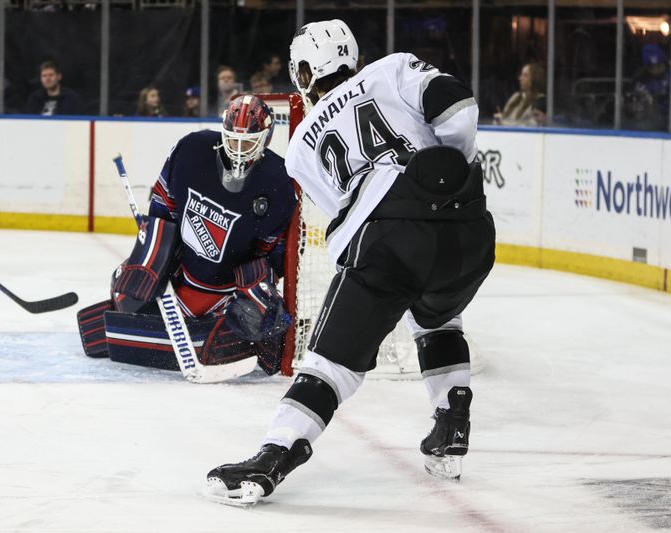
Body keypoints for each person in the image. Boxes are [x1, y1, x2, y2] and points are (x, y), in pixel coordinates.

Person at [206, 19, 495, 504]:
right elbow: (459, 106)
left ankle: (275, 454)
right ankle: (452, 423)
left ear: (302, 73)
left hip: (387, 240)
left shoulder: (299, 147)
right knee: (438, 315)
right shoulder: (392, 68)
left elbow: (347, 214)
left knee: (330, 364)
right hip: (470, 233)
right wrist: (444, 181)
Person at [77, 95, 297, 377]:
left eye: (248, 142)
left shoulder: (277, 180)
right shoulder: (193, 149)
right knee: (127, 292)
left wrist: (256, 290)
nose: (240, 150)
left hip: (226, 291)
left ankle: (218, 332)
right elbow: (163, 203)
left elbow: (271, 253)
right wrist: (154, 256)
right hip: (183, 274)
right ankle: (200, 336)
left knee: (260, 320)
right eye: (234, 140)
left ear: (265, 140)